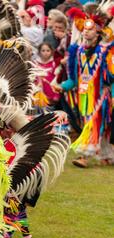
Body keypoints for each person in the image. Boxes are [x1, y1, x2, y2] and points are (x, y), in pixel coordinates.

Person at [55, 8, 114, 167]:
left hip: (102, 96)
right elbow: (74, 79)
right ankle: (107, 155)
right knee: (98, 125)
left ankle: (84, 156)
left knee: (93, 124)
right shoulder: (78, 52)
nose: (86, 33)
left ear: (98, 33)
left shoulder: (105, 52)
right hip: (83, 97)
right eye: (85, 30)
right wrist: (62, 86)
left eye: (91, 30)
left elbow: (111, 76)